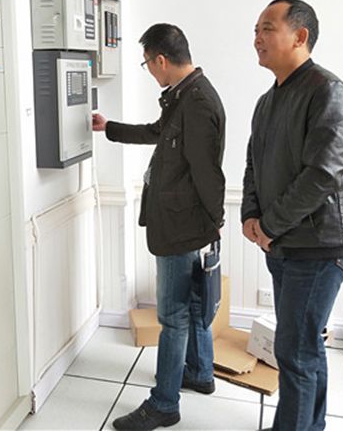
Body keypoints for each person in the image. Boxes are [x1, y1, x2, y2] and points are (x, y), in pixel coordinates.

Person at [93, 23, 226, 430]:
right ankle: (199, 373)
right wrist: (109, 128)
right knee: (192, 306)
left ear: (161, 60)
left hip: (182, 226)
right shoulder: (184, 96)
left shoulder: (197, 102)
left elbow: (208, 173)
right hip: (181, 222)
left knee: (173, 315)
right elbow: (157, 133)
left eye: (148, 63)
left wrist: (214, 223)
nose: (149, 70)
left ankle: (164, 404)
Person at [242, 0, 343, 431]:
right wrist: (251, 214)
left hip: (318, 246)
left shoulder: (328, 91)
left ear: (300, 36)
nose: (257, 38)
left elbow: (323, 174)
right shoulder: (267, 101)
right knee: (304, 347)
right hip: (282, 243)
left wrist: (269, 224)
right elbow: (253, 163)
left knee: (295, 351)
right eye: (256, 30)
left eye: (267, 28)